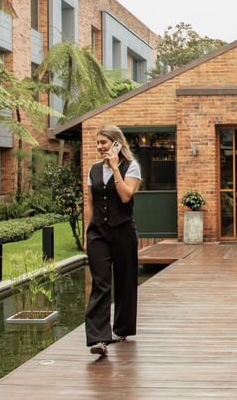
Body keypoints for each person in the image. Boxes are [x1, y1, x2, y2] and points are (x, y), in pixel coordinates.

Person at [85, 125, 141, 356]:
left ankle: (122, 328)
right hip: (98, 232)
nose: (99, 147)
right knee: (100, 282)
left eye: (103, 143)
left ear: (116, 143)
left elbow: (126, 195)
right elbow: (89, 203)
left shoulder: (132, 166)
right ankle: (98, 340)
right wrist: (86, 233)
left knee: (125, 280)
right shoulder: (93, 170)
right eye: (97, 143)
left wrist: (116, 168)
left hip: (123, 231)